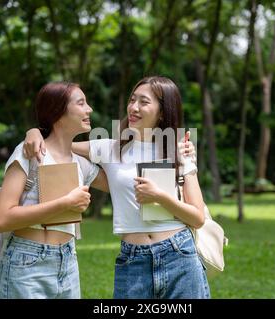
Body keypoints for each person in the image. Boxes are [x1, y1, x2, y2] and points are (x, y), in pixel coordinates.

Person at [24, 76, 209, 299]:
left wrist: (160, 196)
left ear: (162, 111)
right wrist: (33, 132)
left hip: (179, 254)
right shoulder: (110, 149)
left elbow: (198, 217)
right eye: (133, 100)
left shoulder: (179, 151)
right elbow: (57, 143)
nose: (134, 107)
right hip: (133, 259)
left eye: (144, 102)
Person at [0, 82, 109, 299]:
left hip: (68, 264)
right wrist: (66, 204)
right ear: (58, 111)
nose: (89, 109)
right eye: (81, 103)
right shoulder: (29, 152)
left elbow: (122, 179)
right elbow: (2, 219)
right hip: (26, 264)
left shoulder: (81, 164)